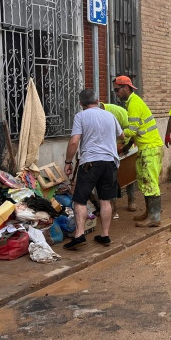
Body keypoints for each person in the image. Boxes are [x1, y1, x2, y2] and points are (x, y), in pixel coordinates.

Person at [63, 89, 124, 250]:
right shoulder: (110, 116)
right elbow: (122, 135)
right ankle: (105, 235)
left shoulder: (81, 116)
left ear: (81, 104)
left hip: (90, 163)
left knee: (80, 200)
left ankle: (80, 235)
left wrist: (68, 162)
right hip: (110, 163)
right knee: (105, 200)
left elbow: (74, 141)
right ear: (97, 100)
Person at [112, 76, 164, 227]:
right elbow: (137, 131)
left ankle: (154, 218)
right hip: (146, 147)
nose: (116, 93)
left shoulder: (134, 104)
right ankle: (149, 213)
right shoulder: (131, 103)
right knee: (143, 180)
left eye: (117, 90)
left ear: (126, 88)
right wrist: (126, 147)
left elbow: (132, 130)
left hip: (151, 148)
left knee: (150, 182)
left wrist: (115, 134)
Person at [100, 101, 138, 213]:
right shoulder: (96, 117)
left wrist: (126, 146)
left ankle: (132, 200)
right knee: (112, 176)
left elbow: (132, 130)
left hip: (125, 144)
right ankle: (112, 203)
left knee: (128, 174)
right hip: (110, 148)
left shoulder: (117, 112)